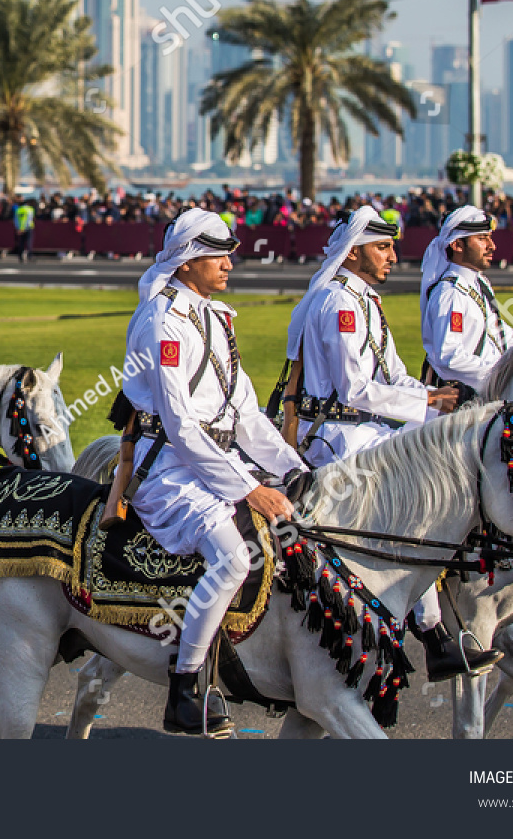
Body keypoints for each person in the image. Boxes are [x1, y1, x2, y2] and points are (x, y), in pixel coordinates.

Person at [285, 206, 497, 681]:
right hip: (341, 435)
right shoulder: (339, 302)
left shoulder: (366, 301)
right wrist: (423, 403)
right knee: (412, 504)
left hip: (372, 428)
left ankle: (437, 617)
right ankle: (432, 633)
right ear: (355, 250)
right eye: (382, 247)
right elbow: (356, 388)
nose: (392, 257)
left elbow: (393, 371)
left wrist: (432, 398)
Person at [117, 209, 303, 736]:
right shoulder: (162, 319)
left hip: (214, 461)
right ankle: (186, 687)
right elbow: (180, 426)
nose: (228, 263)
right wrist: (250, 489)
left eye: (228, 254)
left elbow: (246, 415)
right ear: (187, 261)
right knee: (231, 557)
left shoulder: (216, 316)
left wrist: (294, 468)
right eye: (217, 255)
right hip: (169, 469)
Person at [420, 205, 513, 402]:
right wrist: (501, 373)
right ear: (457, 245)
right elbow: (449, 356)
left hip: (486, 394)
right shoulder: (450, 293)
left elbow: (499, 335)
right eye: (482, 239)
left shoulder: (479, 284)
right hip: (460, 403)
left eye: (489, 238)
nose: (492, 246)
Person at [12, 197, 35, 263]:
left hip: (20, 228)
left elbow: (15, 220)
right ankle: (29, 256)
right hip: (28, 228)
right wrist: (25, 228)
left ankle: (20, 256)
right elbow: (29, 219)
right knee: (29, 242)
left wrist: (18, 228)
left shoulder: (18, 210)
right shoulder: (30, 209)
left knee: (21, 243)